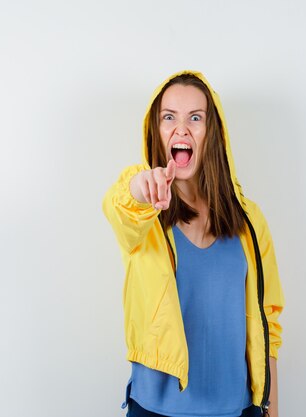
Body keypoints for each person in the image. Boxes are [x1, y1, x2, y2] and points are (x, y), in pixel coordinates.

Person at [103, 70, 284, 417]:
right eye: (168, 117)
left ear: (211, 132)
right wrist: (144, 187)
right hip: (154, 410)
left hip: (238, 410)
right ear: (156, 132)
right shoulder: (144, 218)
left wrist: (271, 411)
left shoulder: (250, 221)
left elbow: (268, 324)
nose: (181, 129)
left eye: (195, 118)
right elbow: (119, 205)